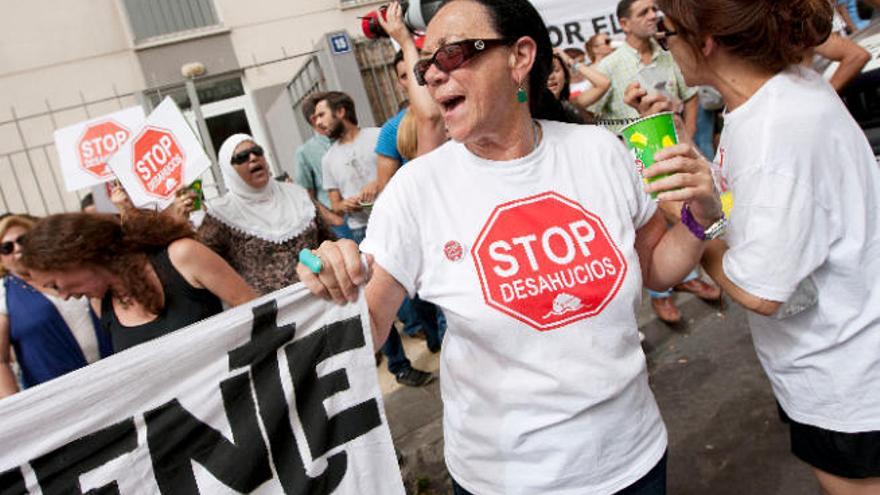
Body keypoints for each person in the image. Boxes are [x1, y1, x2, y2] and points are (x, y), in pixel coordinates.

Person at [297, 0, 724, 492]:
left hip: (632, 459)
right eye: (425, 63)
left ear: (520, 57)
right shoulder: (417, 190)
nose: (433, 75)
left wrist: (702, 216)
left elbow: (656, 269)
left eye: (451, 54)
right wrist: (330, 284)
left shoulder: (600, 152)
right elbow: (364, 330)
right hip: (504, 479)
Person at [637, 0, 880, 492]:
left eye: (668, 34)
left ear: (704, 40)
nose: (666, 46)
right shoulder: (782, 90)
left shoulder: (775, 134)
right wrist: (688, 152)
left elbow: (762, 293)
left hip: (844, 378)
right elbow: (755, 206)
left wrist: (689, 224)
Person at [596, 0, 721, 324]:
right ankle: (661, 295)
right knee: (654, 230)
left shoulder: (669, 54)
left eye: (654, 10)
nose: (654, 16)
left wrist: (687, 133)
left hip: (680, 152)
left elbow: (690, 97)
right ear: (624, 24)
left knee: (692, 218)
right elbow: (588, 114)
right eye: (643, 12)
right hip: (637, 165)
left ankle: (690, 275)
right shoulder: (609, 66)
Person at [20, 211, 257, 352]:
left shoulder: (182, 256)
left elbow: (258, 312)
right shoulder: (100, 305)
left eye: (54, 285)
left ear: (74, 258)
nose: (63, 296)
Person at [198, 134, 335, 295]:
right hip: (272, 313)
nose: (253, 157)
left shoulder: (297, 195)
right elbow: (201, 266)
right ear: (229, 170)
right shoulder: (221, 214)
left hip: (324, 297)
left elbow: (329, 240)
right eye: (242, 157)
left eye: (257, 151)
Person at [0, 215, 112, 397]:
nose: (18, 249)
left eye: (22, 240)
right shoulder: (4, 294)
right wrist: (15, 409)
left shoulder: (70, 269)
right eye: (7, 247)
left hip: (110, 373)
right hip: (57, 393)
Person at [314, 91, 381, 245]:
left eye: (321, 115)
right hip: (361, 230)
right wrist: (345, 205)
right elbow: (335, 205)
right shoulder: (327, 159)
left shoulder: (378, 136)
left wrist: (378, 183)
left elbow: (402, 172)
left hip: (394, 216)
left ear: (340, 112)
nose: (318, 122)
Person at [293, 93, 351, 239]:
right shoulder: (305, 153)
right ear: (314, 119)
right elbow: (306, 196)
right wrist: (334, 220)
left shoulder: (349, 138)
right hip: (340, 222)